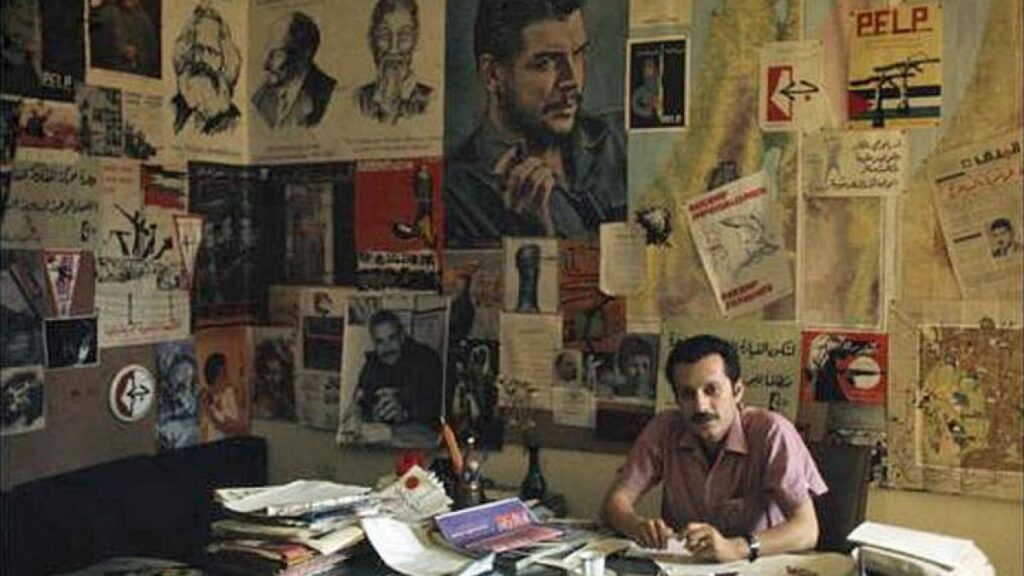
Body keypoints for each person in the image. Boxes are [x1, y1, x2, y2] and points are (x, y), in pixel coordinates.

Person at [601, 334, 826, 563]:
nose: (700, 406)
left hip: (757, 566)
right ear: (677, 400)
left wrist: (736, 548)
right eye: (687, 394)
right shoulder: (664, 429)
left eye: (711, 390)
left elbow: (807, 530)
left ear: (737, 391)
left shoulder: (772, 432)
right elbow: (613, 504)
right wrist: (636, 526)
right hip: (684, 567)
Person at [445, 0, 626, 245]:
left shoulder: (621, 139)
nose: (572, 81)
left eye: (578, 53)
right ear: (493, 75)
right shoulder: (456, 196)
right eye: (545, 63)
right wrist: (533, 241)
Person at [355, 310, 443, 429]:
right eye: (380, 342)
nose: (387, 348)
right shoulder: (372, 364)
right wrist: (372, 414)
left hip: (422, 433)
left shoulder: (426, 359)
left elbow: (438, 406)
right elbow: (361, 402)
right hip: (384, 433)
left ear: (402, 336)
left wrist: (405, 414)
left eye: (392, 338)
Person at [251, 11, 337, 129]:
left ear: (304, 54)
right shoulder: (260, 97)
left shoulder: (330, 95)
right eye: (267, 51)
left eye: (277, 55)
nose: (265, 65)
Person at [170, 3, 242, 135]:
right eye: (197, 49)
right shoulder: (173, 109)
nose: (202, 59)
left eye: (211, 51)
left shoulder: (234, 121)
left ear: (225, 59)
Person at [356, 0, 433, 124]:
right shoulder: (358, 99)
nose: (393, 48)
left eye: (404, 36)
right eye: (384, 35)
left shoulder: (431, 100)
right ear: (371, 39)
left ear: (415, 41)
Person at [90, 0, 159, 77]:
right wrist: (121, 50)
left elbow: (151, 53)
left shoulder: (145, 21)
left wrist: (137, 54)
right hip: (112, 73)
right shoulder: (107, 14)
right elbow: (97, 47)